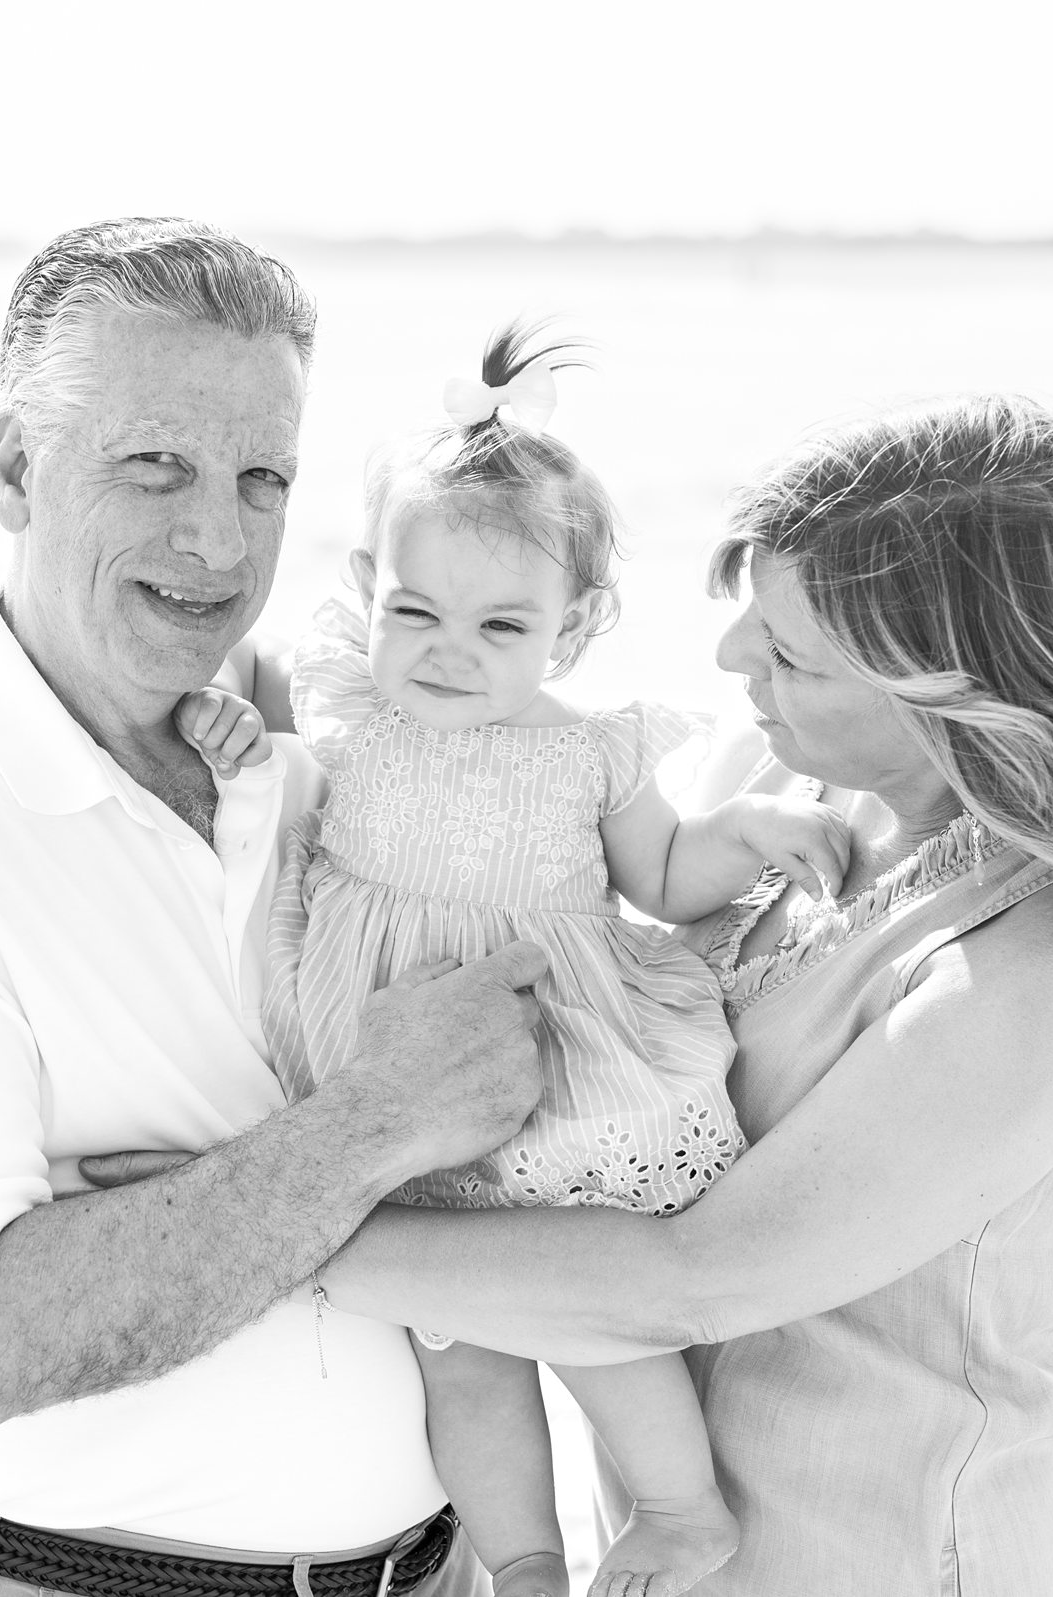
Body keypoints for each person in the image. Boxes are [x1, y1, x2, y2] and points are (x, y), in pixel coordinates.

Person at [106, 394, 1053, 1594]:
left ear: (952, 686)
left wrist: (229, 1234)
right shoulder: (774, 782)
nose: (734, 664)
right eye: (750, 621)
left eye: (791, 653)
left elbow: (697, 1276)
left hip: (891, 1557)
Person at [0, 217, 551, 1596]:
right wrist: (381, 1120)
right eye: (155, 465)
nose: (218, 537)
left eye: (263, 476)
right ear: (14, 467)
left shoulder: (324, 753)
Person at [177, 323, 851, 1597]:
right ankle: (526, 1561)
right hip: (386, 1050)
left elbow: (660, 874)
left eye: (501, 625)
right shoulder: (349, 702)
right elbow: (271, 753)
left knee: (580, 1307)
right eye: (414, 611)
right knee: (458, 1346)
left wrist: (752, 833)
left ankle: (679, 1508)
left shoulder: (584, 752)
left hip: (548, 1052)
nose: (449, 650)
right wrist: (235, 731)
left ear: (575, 626)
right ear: (369, 584)